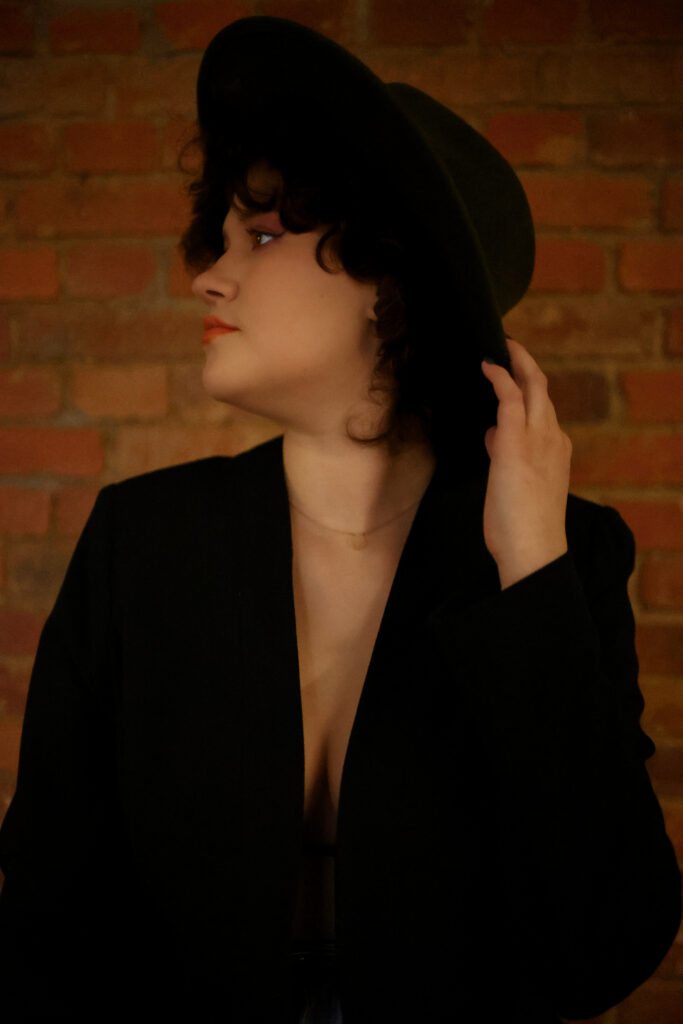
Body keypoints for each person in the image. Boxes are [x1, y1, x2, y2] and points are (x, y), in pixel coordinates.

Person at [0, 15, 680, 1024]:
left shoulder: (562, 557)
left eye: (266, 235)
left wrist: (529, 569)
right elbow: (43, 925)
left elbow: (604, 949)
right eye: (224, 236)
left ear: (388, 282)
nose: (208, 273)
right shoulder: (141, 542)